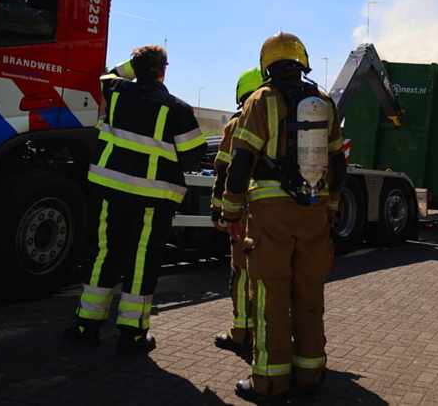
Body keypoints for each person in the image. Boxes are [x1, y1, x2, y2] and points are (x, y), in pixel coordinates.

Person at [221, 32, 346, 403]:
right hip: (314, 212)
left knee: (270, 295)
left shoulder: (261, 99)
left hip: (270, 216)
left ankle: (269, 383)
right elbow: (339, 162)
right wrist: (331, 206)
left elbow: (242, 159)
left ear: (267, 66)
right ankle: (310, 374)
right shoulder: (323, 101)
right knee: (309, 293)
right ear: (301, 61)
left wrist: (231, 209)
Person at [65, 45, 207, 356]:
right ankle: (131, 334)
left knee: (105, 254)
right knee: (142, 260)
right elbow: (194, 157)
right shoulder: (178, 109)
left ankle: (86, 325)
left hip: (111, 190)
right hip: (154, 198)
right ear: (163, 71)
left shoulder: (115, 90)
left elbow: (109, 73)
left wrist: (133, 66)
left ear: (135, 67)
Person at [212, 67, 265, 353]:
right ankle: (273, 333)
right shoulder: (278, 119)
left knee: (242, 272)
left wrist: (219, 210)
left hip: (243, 212)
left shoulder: (236, 125)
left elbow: (224, 171)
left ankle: (242, 332)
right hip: (274, 212)